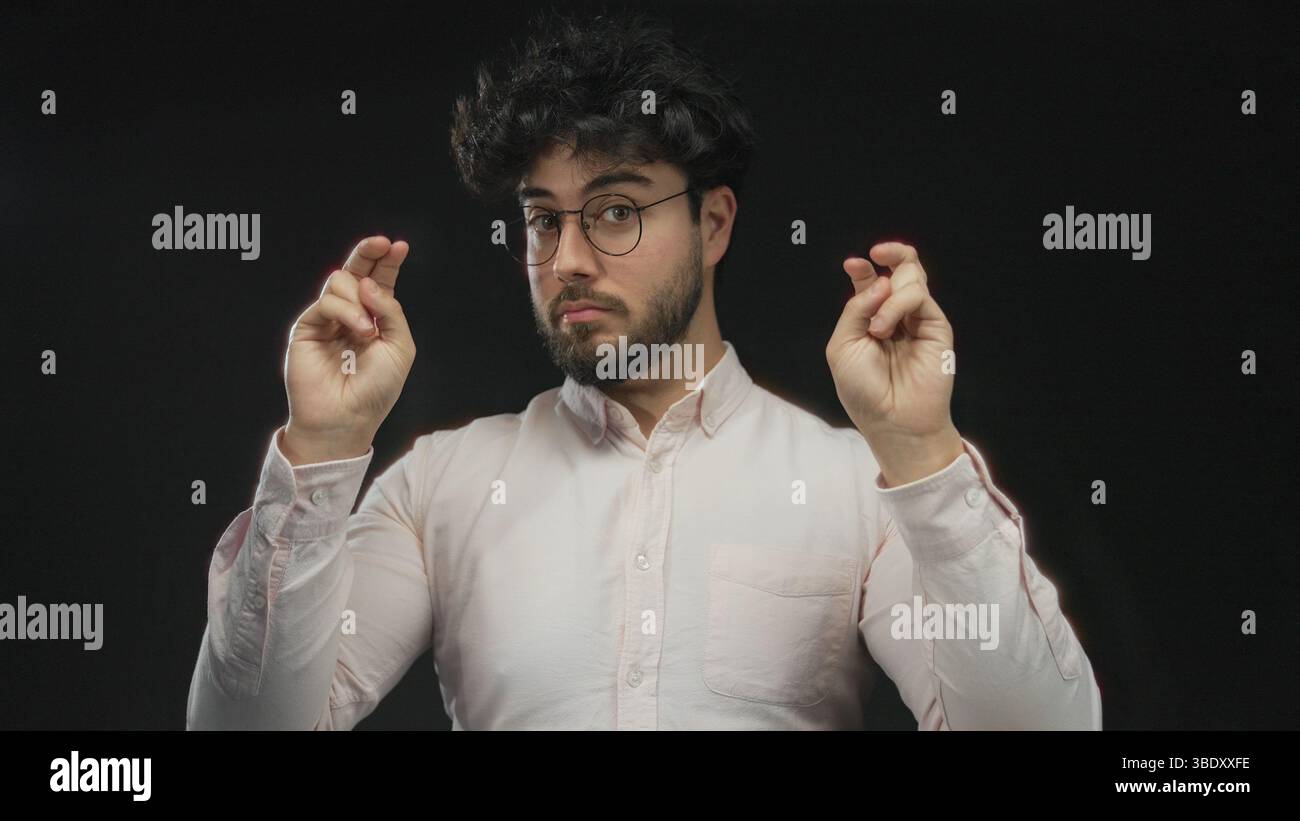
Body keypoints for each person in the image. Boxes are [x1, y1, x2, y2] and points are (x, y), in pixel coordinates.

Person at [186, 9, 1102, 730]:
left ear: (713, 224)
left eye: (615, 210)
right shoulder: (443, 487)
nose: (570, 259)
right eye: (545, 220)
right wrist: (324, 446)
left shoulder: (854, 487)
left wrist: (924, 452)